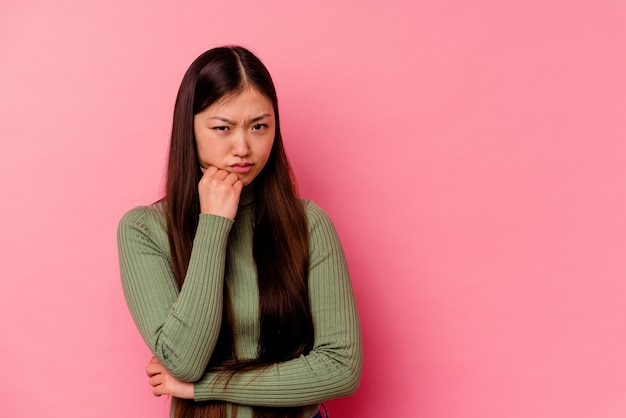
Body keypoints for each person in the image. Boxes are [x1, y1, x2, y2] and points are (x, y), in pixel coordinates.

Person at [117, 46, 362, 418]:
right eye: (222, 128)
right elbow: (183, 360)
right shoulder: (144, 230)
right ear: (190, 129)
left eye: (259, 126)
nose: (243, 148)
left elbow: (341, 369)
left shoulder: (308, 223)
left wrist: (202, 387)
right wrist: (214, 223)